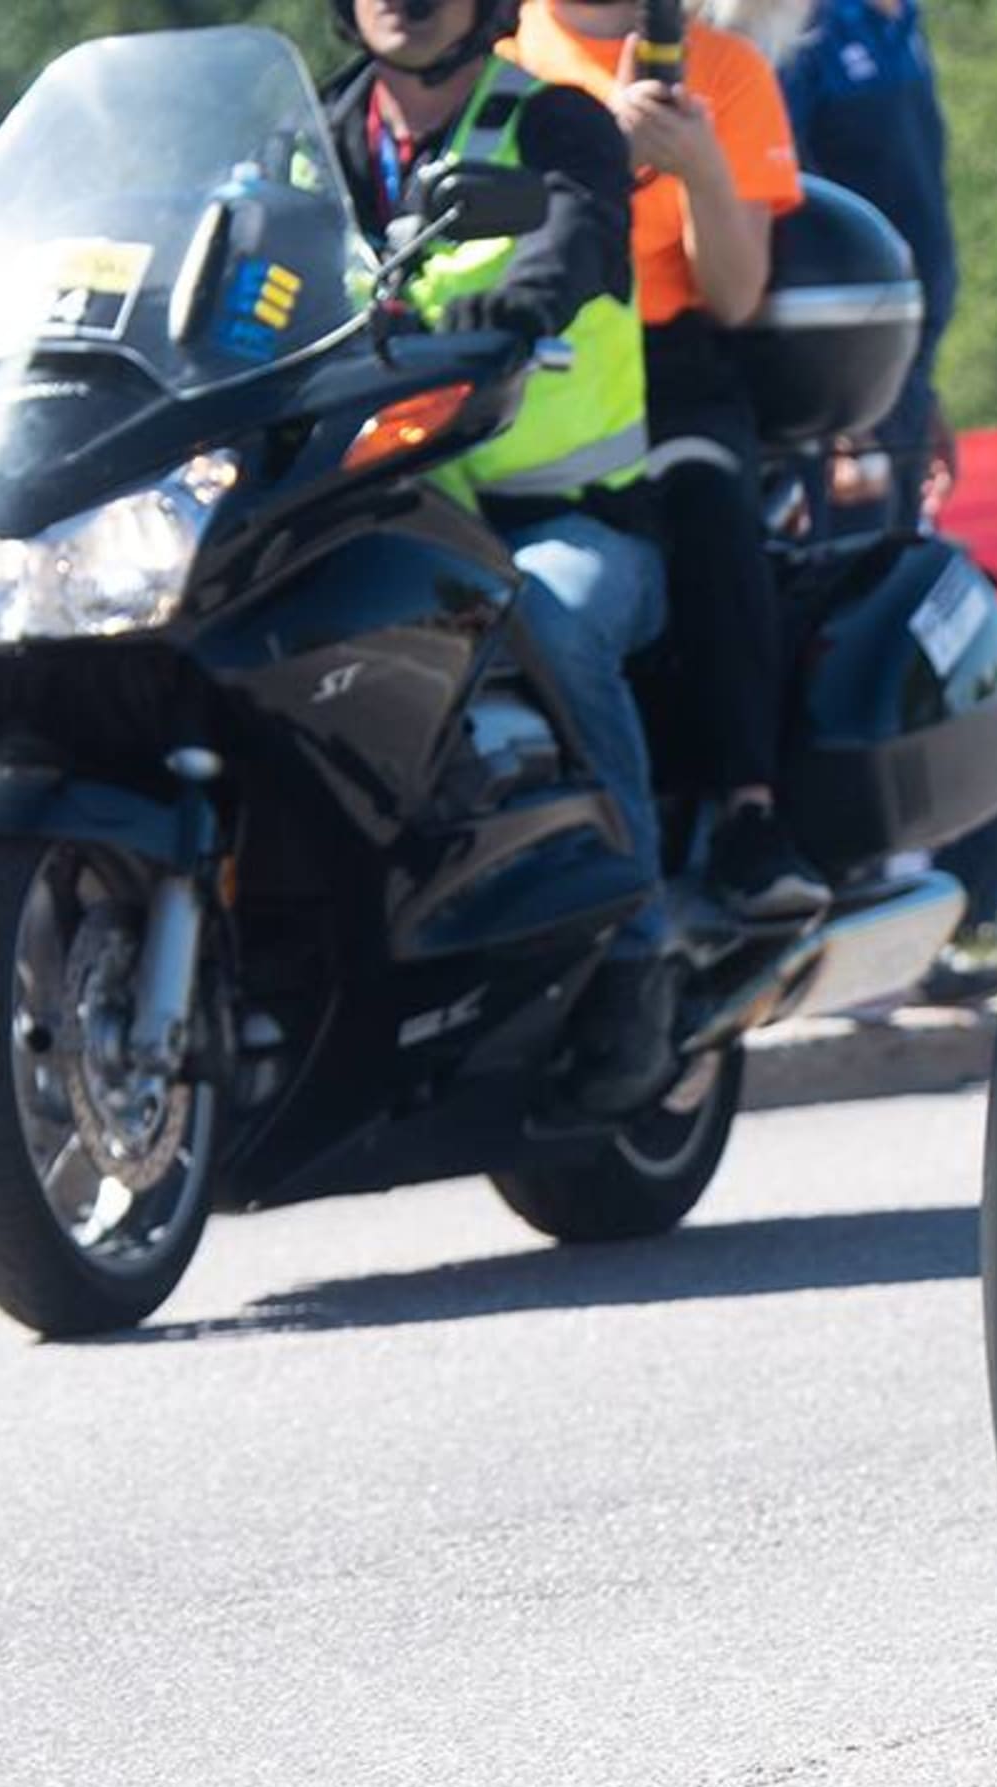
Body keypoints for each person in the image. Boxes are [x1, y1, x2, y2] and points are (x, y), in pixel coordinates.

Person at [322, 0, 680, 1114]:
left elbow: (575, 239)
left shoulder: (554, 123)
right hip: (378, 508)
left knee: (554, 614)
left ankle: (638, 952)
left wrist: (506, 304)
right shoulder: (311, 144)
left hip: (564, 517)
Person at [508, 0, 827, 923]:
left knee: (712, 503)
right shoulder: (494, 53)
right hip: (524, 358)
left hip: (669, 367)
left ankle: (746, 815)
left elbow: (733, 293)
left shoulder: (723, 71)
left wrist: (699, 170)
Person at [777, 0, 953, 536]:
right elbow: (788, 212)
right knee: (845, 576)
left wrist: (926, 394)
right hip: (845, 393)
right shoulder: (806, 30)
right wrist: (840, 412)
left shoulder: (902, 21)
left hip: (906, 371)